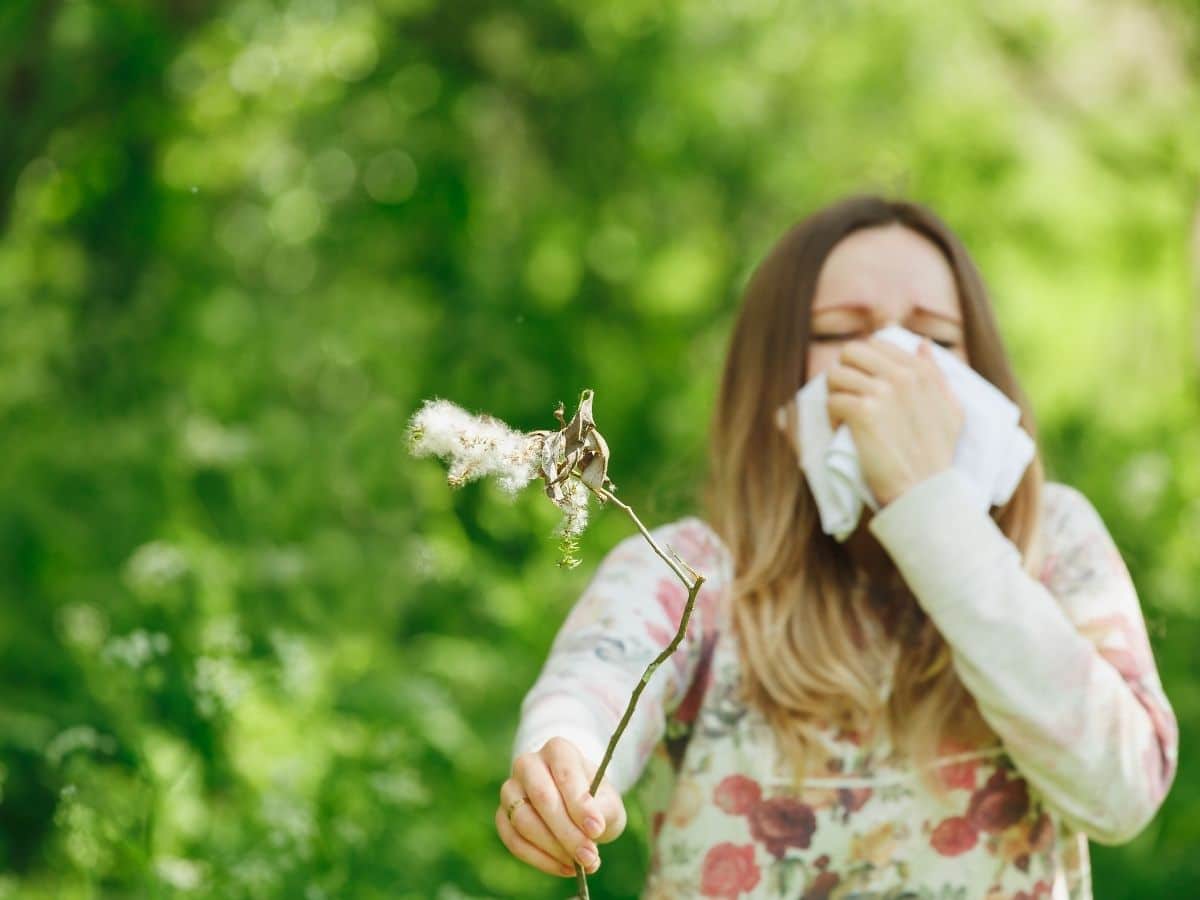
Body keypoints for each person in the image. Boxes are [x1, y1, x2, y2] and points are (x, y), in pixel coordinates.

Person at [494, 194, 1178, 898]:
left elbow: (1122, 793)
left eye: (936, 340)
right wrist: (560, 766)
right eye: (841, 332)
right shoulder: (691, 567)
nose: (892, 363)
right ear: (778, 367)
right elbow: (591, 687)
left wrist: (929, 505)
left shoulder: (1054, 538)